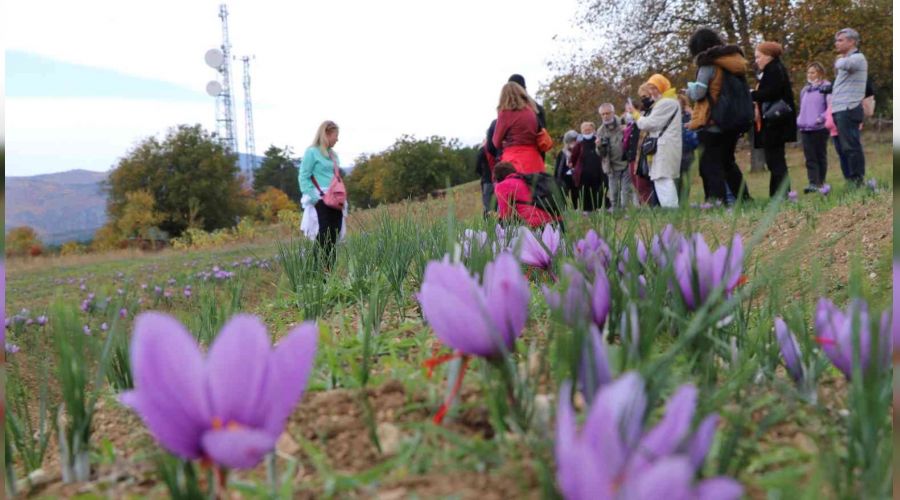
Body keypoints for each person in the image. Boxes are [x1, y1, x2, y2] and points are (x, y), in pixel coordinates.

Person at [686, 28, 752, 203]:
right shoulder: (734, 63)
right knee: (728, 162)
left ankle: (716, 200)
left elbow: (699, 92)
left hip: (712, 121)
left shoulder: (707, 65)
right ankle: (743, 198)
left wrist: (689, 90)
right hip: (732, 121)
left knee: (710, 165)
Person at [751, 41, 797, 198]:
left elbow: (770, 92)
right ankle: (779, 194)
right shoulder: (774, 69)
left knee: (775, 161)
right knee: (774, 160)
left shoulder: (774, 70)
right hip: (774, 122)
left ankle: (781, 195)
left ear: (768, 56)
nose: (756, 60)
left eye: (758, 57)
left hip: (775, 122)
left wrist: (751, 94)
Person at [299, 120, 344, 268]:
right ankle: (315, 267)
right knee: (324, 233)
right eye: (335, 135)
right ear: (327, 134)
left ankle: (329, 269)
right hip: (320, 197)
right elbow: (303, 176)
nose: (337, 139)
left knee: (334, 234)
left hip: (336, 198)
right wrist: (313, 197)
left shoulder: (333, 155)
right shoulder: (312, 152)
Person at [636, 75, 681, 208]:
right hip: (663, 145)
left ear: (662, 86)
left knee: (663, 177)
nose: (652, 91)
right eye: (650, 88)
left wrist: (635, 115)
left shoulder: (666, 102)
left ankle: (671, 209)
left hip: (665, 145)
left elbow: (649, 124)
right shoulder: (666, 101)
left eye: (654, 88)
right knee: (660, 178)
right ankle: (669, 209)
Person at [831, 27, 867, 186]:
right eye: (836, 40)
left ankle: (858, 180)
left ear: (852, 41)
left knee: (851, 146)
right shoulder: (847, 59)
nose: (836, 44)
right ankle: (850, 179)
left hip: (849, 107)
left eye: (840, 40)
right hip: (840, 108)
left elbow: (846, 64)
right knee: (844, 148)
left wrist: (838, 60)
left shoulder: (857, 57)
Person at [492, 82, 545, 174]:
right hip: (535, 160)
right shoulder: (531, 112)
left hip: (514, 162)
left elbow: (496, 142)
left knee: (513, 188)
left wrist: (505, 142)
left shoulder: (505, 114)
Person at [796, 62, 831, 192]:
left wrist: (821, 118)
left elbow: (829, 106)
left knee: (820, 155)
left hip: (820, 128)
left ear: (820, 73)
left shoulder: (826, 87)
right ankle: (813, 183)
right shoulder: (805, 90)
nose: (810, 75)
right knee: (810, 157)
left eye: (813, 72)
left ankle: (821, 182)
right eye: (808, 72)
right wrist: (800, 120)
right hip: (805, 128)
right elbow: (803, 108)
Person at [493, 161, 559, 228]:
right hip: (557, 220)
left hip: (534, 224)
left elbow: (505, 215)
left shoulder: (502, 186)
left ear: (497, 176)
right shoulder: (525, 179)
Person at [597, 103, 634, 209]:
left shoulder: (624, 123)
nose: (605, 116)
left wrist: (627, 131)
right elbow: (601, 154)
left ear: (613, 113)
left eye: (607, 113)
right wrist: (599, 146)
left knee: (626, 189)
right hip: (611, 166)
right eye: (602, 114)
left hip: (626, 162)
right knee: (613, 191)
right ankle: (616, 212)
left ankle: (627, 210)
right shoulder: (600, 131)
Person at [570, 122, 607, 211]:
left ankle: (597, 208)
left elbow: (603, 153)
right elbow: (573, 157)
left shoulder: (598, 141)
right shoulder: (579, 144)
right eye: (585, 130)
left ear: (593, 130)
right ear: (581, 131)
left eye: (589, 130)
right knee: (584, 191)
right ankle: (585, 209)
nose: (587, 131)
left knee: (597, 190)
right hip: (583, 172)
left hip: (598, 171)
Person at [676, 94, 699, 198]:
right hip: (676, 151)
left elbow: (698, 123)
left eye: (680, 103)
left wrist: (691, 113)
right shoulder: (672, 116)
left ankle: (684, 201)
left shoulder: (689, 115)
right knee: (677, 178)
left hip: (687, 151)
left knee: (685, 179)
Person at [553, 130, 579, 203]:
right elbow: (558, 168)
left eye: (575, 140)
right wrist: (556, 180)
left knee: (576, 196)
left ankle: (577, 209)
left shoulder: (580, 151)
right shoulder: (562, 153)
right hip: (565, 179)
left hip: (577, 178)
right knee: (563, 196)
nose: (573, 143)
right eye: (571, 141)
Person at [475, 138, 495, 217]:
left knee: (487, 205)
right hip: (499, 180)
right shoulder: (497, 148)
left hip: (487, 180)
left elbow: (477, 167)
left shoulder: (482, 150)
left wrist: (482, 174)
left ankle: (488, 225)